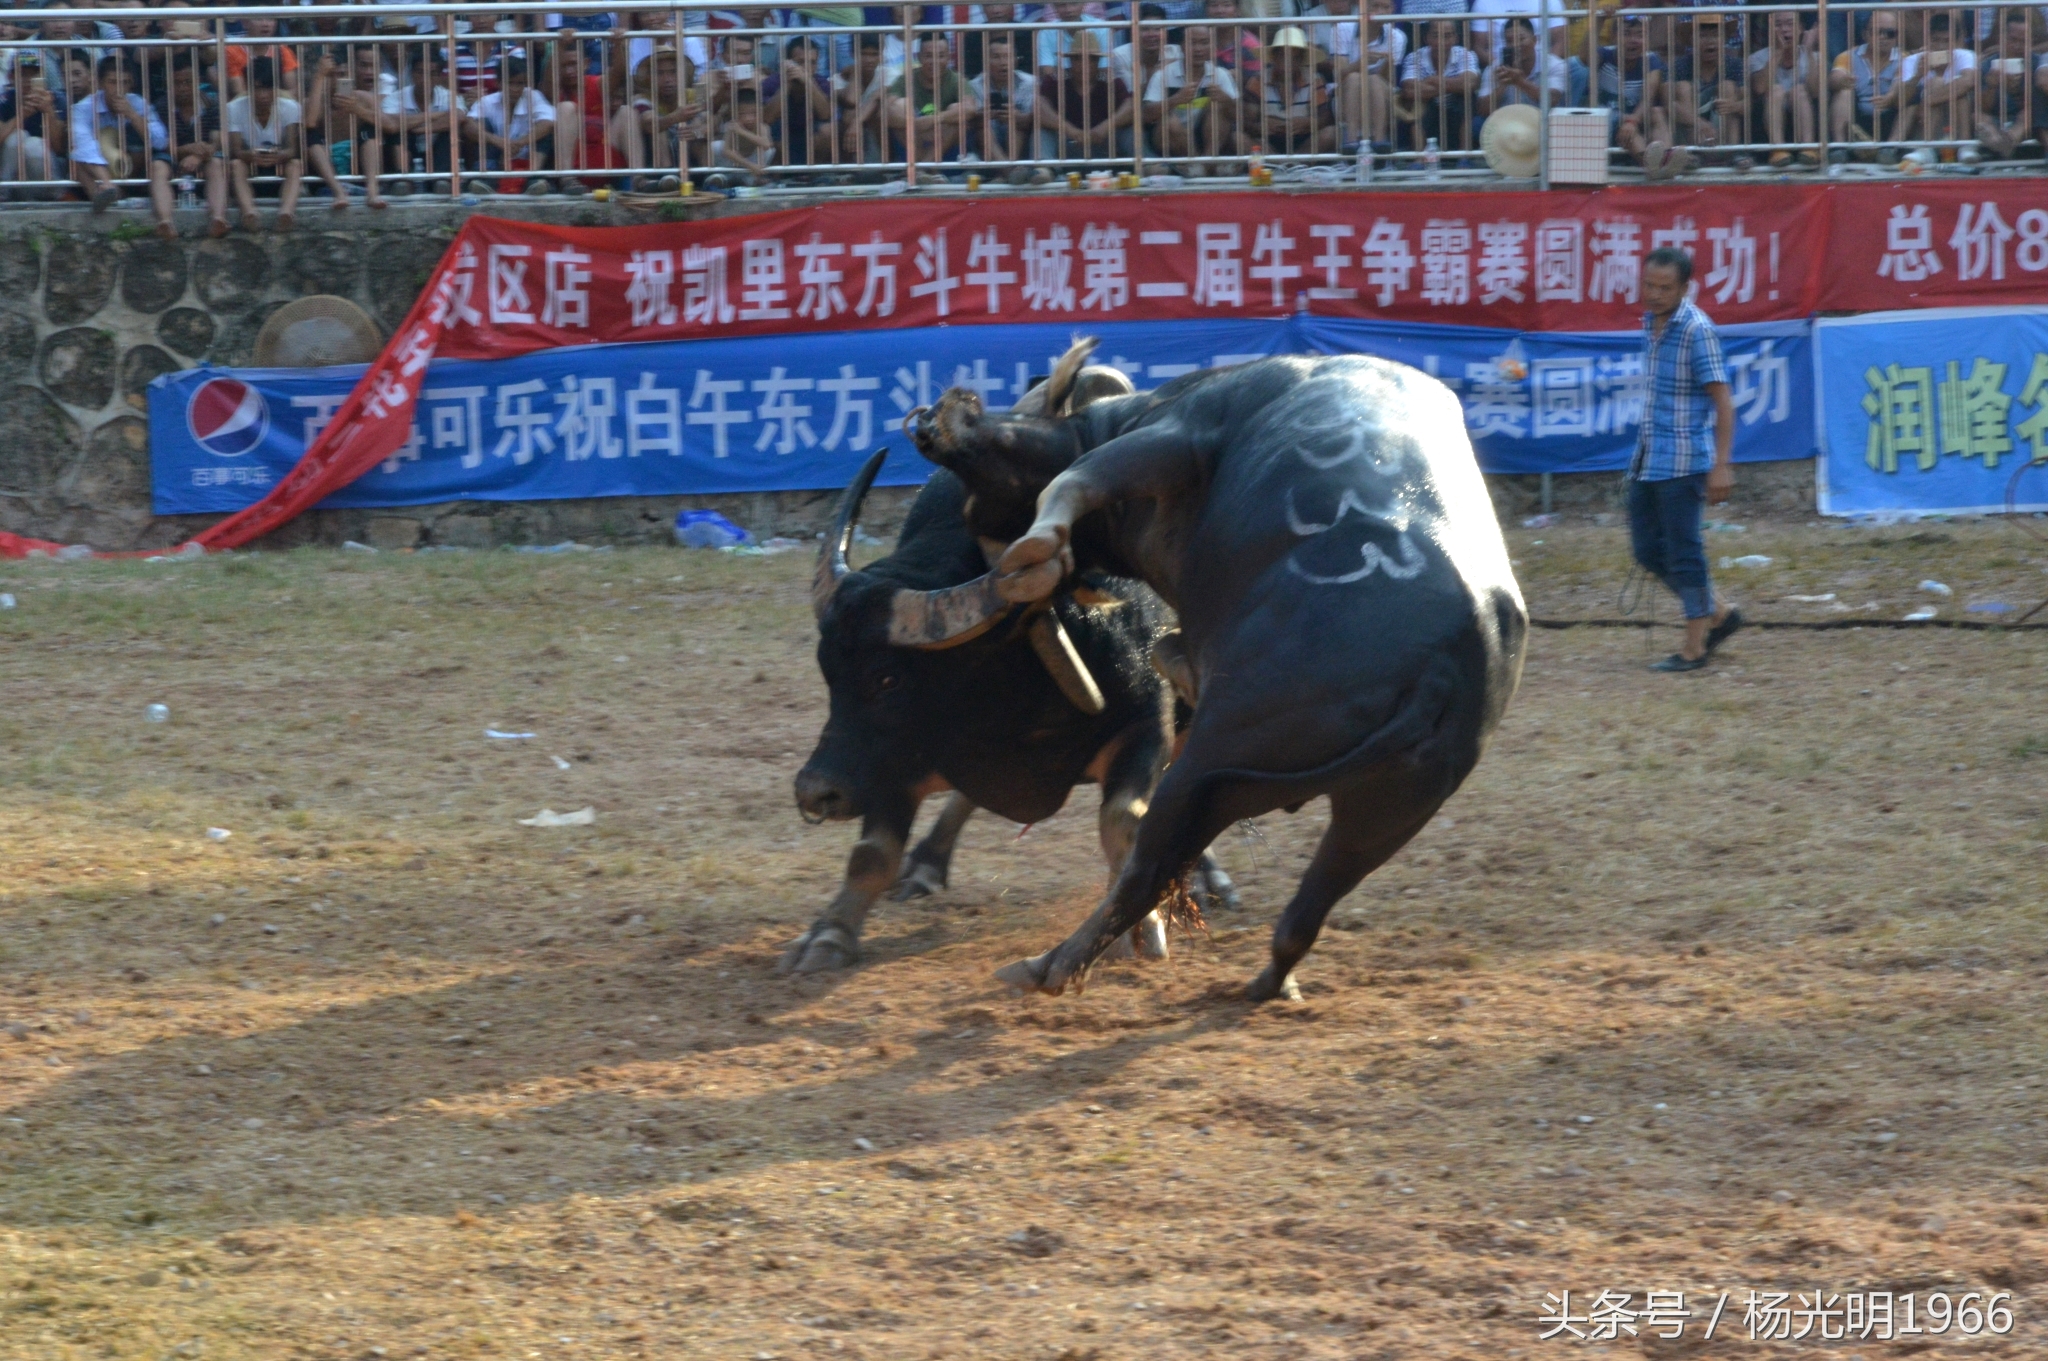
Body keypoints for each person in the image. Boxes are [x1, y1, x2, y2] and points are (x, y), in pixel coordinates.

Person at [1631, 247, 1741, 673]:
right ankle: (1719, 613)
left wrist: (1722, 464)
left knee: (1684, 553)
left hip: (1685, 461)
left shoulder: (1697, 330)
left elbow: (1724, 402)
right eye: (1649, 285)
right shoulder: (1650, 323)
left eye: (1664, 288)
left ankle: (1695, 647)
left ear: (1684, 288)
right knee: (1646, 551)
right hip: (1648, 458)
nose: (1654, 295)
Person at [70, 55, 174, 236]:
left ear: (131, 83)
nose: (118, 89)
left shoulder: (138, 103)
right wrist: (107, 182)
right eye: (112, 82)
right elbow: (83, 145)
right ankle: (103, 198)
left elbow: (160, 141)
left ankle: (163, 220)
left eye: (124, 82)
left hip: (136, 166)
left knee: (156, 161)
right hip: (102, 171)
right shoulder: (83, 108)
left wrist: (132, 115)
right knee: (76, 159)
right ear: (101, 83)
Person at [1144, 21, 1239, 171]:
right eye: (1192, 43)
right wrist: (1175, 100)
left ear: (1212, 46)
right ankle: (1197, 165)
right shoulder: (1163, 75)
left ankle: (1206, 163)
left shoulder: (1220, 74)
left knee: (1218, 107)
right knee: (1169, 121)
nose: (1198, 49)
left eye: (1204, 43)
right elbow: (1146, 115)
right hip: (1171, 141)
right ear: (1181, 46)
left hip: (1207, 139)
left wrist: (1226, 100)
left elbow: (1239, 116)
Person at [225, 55, 304, 231]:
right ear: (248, 87)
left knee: (295, 165)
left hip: (279, 168)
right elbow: (236, 151)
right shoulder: (233, 108)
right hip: (249, 169)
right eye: (258, 89)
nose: (263, 95)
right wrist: (250, 155)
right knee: (236, 165)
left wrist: (279, 155)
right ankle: (249, 212)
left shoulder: (290, 107)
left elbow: (292, 149)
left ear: (277, 87)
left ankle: (286, 213)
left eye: (268, 89)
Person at [157, 51, 228, 236]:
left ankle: (218, 218)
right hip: (172, 157)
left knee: (216, 164)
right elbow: (162, 144)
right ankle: (165, 221)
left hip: (204, 156)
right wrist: (186, 151)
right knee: (157, 167)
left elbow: (216, 141)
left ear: (198, 81)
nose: (183, 88)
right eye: (177, 83)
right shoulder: (161, 106)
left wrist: (198, 155)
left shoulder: (211, 104)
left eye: (188, 82)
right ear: (168, 84)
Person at [886, 31, 976, 168]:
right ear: (919, 57)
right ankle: (924, 169)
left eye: (940, 56)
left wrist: (935, 119)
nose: (934, 62)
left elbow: (970, 109)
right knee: (899, 106)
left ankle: (923, 168)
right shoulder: (906, 79)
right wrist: (914, 124)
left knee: (958, 112)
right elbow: (886, 111)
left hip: (944, 140)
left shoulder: (956, 79)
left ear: (949, 58)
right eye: (928, 56)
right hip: (913, 138)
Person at [1041, 30, 1133, 162]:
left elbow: (1130, 108)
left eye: (1091, 59)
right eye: (1078, 58)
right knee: (1042, 133)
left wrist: (1105, 127)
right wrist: (1071, 131)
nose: (1084, 64)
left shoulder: (1112, 81)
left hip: (1105, 141)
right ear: (1070, 60)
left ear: (1098, 61)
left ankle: (1147, 165)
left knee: (1130, 132)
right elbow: (1040, 108)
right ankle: (1043, 169)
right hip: (1065, 141)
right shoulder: (1055, 80)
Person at [1748, 10, 1822, 167]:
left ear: (1801, 28)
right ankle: (1778, 150)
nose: (1784, 29)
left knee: (1799, 90)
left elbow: (1815, 91)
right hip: (1768, 121)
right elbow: (1760, 88)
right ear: (1770, 30)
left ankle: (1808, 149)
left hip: (1803, 116)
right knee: (1776, 90)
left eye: (1790, 24)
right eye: (1778, 25)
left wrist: (1808, 51)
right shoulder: (1757, 58)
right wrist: (1779, 52)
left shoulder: (1815, 57)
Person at [1598, 14, 1670, 172]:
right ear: (1614, 36)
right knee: (1626, 123)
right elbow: (1583, 55)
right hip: (1609, 124)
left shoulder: (1651, 60)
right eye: (1626, 34)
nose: (1634, 40)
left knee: (1656, 111)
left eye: (1640, 35)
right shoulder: (1604, 55)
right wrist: (1599, 20)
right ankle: (1654, 168)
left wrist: (1632, 122)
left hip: (1635, 121)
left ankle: (1664, 160)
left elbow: (1648, 97)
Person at [1671, 13, 1744, 165]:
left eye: (1715, 35)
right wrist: (1699, 123)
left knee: (1728, 87)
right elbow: (1669, 106)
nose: (1710, 41)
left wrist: (1734, 106)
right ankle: (1694, 154)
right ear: (1692, 40)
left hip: (1721, 129)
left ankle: (1733, 153)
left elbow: (1749, 103)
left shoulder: (1734, 64)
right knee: (1683, 88)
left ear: (1724, 39)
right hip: (1689, 131)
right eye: (1703, 35)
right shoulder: (1679, 65)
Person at [1901, 10, 1976, 153]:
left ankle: (1965, 147)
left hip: (1956, 120)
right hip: (1923, 124)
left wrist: (1928, 101)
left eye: (1947, 41)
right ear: (1926, 39)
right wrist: (1918, 75)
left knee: (1957, 90)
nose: (1941, 46)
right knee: (1937, 82)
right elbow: (1903, 99)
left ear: (1956, 42)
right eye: (1936, 40)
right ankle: (1925, 150)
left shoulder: (1965, 55)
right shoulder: (1912, 61)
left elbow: (1968, 82)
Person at [1399, 17, 1479, 152]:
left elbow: (1470, 84)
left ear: (1456, 38)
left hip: (1456, 108)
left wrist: (1432, 80)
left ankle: (1465, 157)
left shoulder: (1465, 54)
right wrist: (1453, 86)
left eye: (1447, 36)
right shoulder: (1414, 57)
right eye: (1436, 36)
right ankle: (1420, 159)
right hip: (1429, 108)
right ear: (1426, 38)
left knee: (1466, 101)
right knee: (1416, 104)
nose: (1442, 41)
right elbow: (1409, 90)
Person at [0, 46, 68, 191]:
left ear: (43, 75)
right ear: (11, 77)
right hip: (13, 176)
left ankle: (52, 193)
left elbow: (60, 148)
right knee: (17, 137)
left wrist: (48, 111)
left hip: (49, 173)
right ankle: (3, 193)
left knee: (33, 145)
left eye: (34, 74)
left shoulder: (58, 99)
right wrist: (22, 115)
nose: (28, 80)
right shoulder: (4, 100)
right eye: (23, 74)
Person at [1260, 26, 1334, 153]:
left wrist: (1309, 122)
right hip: (1268, 140)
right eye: (1282, 56)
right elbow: (1246, 121)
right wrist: (1261, 126)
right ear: (1274, 57)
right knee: (1238, 138)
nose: (1288, 62)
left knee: (1331, 133)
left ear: (1301, 60)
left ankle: (1293, 166)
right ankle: (1281, 165)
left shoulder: (1315, 79)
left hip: (1305, 138)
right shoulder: (1258, 80)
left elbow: (1326, 118)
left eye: (1295, 58)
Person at [1972, 8, 2035, 159]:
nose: (2018, 46)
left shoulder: (2037, 63)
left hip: (2023, 122)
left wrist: (2015, 90)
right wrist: (1992, 86)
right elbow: (1983, 108)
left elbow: (2037, 107)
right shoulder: (1988, 64)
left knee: (2028, 113)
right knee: (1978, 116)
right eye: (2013, 40)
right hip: (1995, 119)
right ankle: (1998, 142)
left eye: (2023, 41)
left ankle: (2007, 142)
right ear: (2003, 38)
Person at [1477, 16, 1567, 117]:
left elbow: (1552, 100)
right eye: (1509, 41)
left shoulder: (1554, 65)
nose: (1515, 45)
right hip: (1506, 123)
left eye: (1521, 39)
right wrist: (1503, 84)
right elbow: (1482, 110)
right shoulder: (1495, 68)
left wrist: (1520, 82)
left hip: (1543, 122)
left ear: (1534, 40)